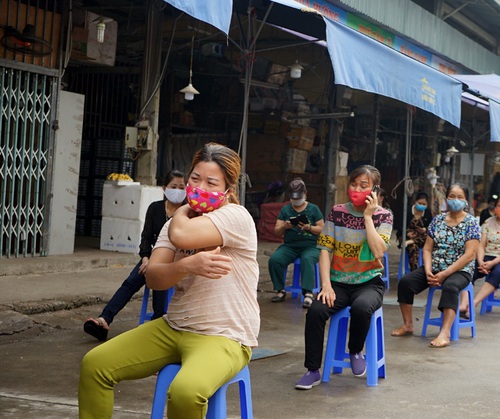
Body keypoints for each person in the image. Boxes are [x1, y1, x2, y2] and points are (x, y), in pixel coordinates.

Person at [78, 143, 260, 418]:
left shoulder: (235, 217)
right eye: (195, 179)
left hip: (225, 336)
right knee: (95, 364)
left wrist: (180, 214)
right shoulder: (175, 223)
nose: (200, 188)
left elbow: (183, 237)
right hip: (174, 327)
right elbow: (154, 278)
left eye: (211, 183)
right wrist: (189, 264)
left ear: (228, 192)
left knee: (186, 391)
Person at [295, 165, 392, 390]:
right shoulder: (337, 212)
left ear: (374, 190)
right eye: (354, 184)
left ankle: (356, 351)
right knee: (316, 311)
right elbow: (325, 249)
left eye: (364, 186)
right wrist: (326, 286)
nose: (356, 189)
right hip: (338, 282)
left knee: (361, 307)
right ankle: (312, 370)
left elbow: (379, 251)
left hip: (369, 282)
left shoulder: (384, 216)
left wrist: (368, 217)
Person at [83, 170, 186, 342]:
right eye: (173, 186)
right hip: (153, 257)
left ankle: (156, 328)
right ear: (164, 188)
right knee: (131, 282)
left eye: (182, 187)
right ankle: (104, 320)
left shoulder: (187, 212)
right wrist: (146, 258)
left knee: (159, 285)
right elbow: (146, 238)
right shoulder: (155, 208)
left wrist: (157, 263)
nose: (178, 190)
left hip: (175, 261)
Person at [390, 183, 480, 348]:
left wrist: (445, 273)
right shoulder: (437, 220)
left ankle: (445, 333)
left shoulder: (471, 223)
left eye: (460, 197)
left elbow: (470, 255)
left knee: (451, 287)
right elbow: (427, 249)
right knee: (405, 283)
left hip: (460, 269)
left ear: (466, 201)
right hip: (435, 267)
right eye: (452, 196)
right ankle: (408, 324)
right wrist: (428, 269)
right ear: (446, 199)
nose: (455, 200)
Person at [462, 193, 500, 314]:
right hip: (487, 255)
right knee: (467, 269)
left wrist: (493, 263)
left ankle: (473, 303)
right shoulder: (488, 222)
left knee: (498, 272)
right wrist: (480, 261)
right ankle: (464, 303)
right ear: (495, 208)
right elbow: (481, 244)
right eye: (499, 206)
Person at [268, 178, 325, 308]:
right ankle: (280, 290)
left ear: (305, 194)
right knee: (275, 260)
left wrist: (309, 227)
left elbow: (322, 229)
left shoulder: (313, 209)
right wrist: (285, 226)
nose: (296, 201)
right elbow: (277, 231)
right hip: (290, 246)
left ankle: (308, 293)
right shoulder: (286, 210)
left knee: (307, 259)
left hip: (311, 246)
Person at [405, 192, 433, 271]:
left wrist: (425, 229)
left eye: (424, 204)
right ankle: (414, 270)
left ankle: (413, 241)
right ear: (415, 202)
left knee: (429, 237)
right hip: (407, 237)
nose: (422, 205)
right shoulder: (407, 211)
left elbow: (431, 227)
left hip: (422, 238)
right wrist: (408, 233)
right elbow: (400, 227)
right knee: (413, 247)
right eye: (420, 203)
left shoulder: (427, 212)